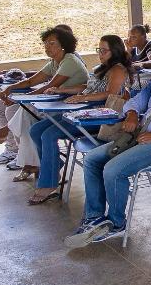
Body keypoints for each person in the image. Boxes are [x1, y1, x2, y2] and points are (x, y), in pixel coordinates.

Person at [65, 32, 151, 248]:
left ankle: (116, 223)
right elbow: (134, 102)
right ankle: (94, 217)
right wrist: (131, 115)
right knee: (93, 159)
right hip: (141, 138)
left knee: (113, 169)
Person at [23, 35, 132, 197]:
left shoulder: (118, 69)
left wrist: (83, 98)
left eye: (104, 51)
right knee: (36, 130)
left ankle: (48, 184)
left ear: (115, 51)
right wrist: (62, 90)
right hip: (83, 111)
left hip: (100, 116)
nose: (100, 54)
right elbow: (87, 87)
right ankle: (54, 165)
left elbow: (111, 94)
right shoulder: (103, 67)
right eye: (99, 50)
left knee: (49, 134)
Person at [0, 27, 87, 166]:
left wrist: (18, 99)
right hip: (55, 102)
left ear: (63, 45)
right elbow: (31, 81)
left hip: (68, 107)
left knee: (20, 110)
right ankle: (21, 154)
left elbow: (47, 87)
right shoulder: (54, 61)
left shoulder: (70, 60)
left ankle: (18, 149)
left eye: (51, 43)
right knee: (7, 108)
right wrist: (10, 88)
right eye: (45, 43)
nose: (47, 47)